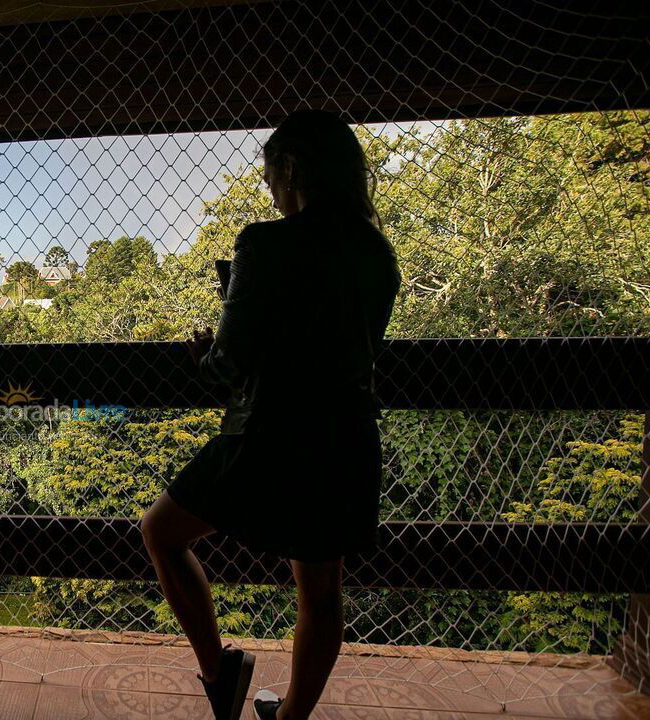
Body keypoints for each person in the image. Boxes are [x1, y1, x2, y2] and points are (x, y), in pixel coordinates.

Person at [140, 109, 400, 720]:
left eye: (271, 177)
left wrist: (202, 358)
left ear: (290, 168)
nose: (272, 193)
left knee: (161, 532)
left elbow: (231, 362)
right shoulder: (375, 252)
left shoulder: (265, 243)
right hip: (345, 436)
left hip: (266, 434)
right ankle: (290, 719)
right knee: (321, 590)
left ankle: (219, 672)